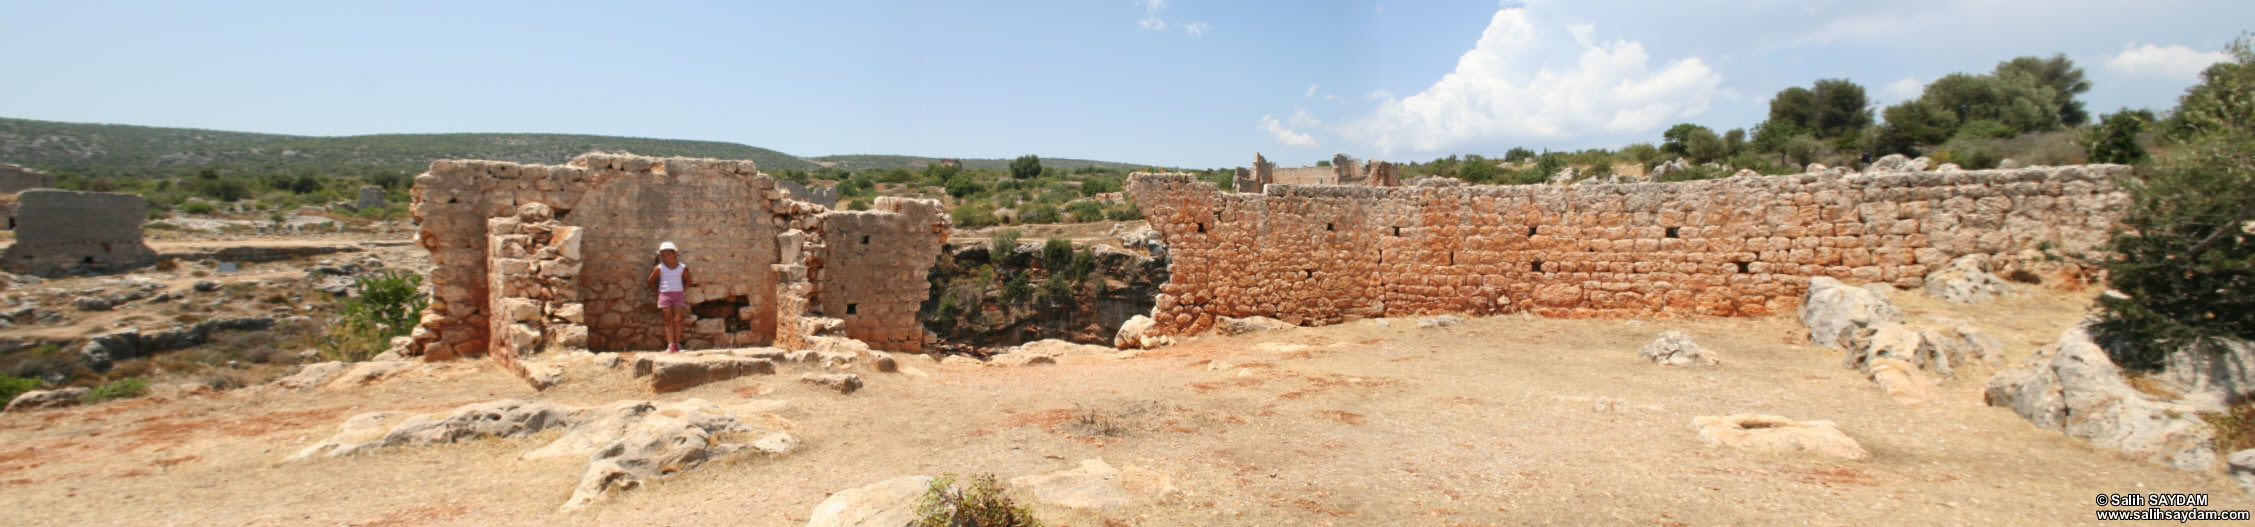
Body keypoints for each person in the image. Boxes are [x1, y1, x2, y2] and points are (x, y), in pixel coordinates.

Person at [646, 241, 695, 353]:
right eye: (663, 255)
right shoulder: (660, 268)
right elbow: (650, 281)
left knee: (677, 320)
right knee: (668, 320)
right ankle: (670, 345)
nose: (666, 257)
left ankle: (677, 344)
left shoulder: (682, 267)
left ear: (674, 254)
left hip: (678, 295)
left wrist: (681, 290)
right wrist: (659, 291)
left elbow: (688, 281)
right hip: (664, 295)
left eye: (668, 254)